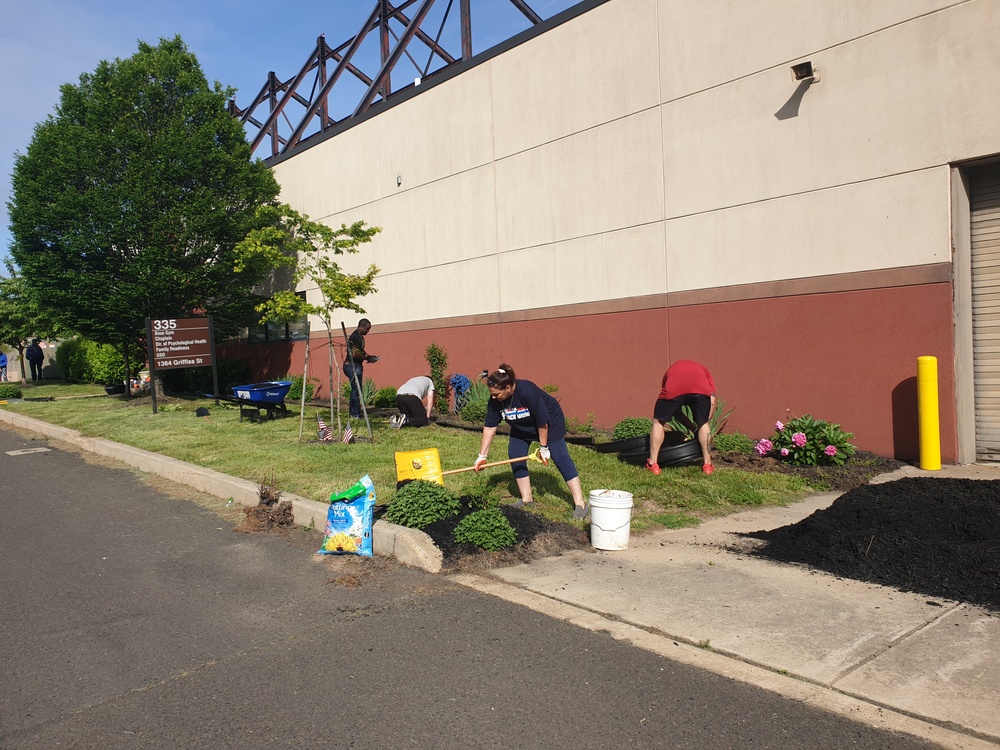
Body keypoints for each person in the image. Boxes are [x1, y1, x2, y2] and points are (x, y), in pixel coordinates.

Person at [475, 364, 587, 520]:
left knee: (560, 457)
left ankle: (580, 504)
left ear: (508, 388)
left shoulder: (526, 391)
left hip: (549, 423)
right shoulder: (495, 401)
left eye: (496, 394)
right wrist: (482, 455)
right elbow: (490, 428)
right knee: (515, 455)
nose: (493, 397)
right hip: (521, 426)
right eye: (491, 394)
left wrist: (543, 447)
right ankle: (527, 500)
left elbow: (543, 422)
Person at [647, 359, 716, 476]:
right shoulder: (704, 371)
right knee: (704, 424)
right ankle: (707, 465)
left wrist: (691, 427)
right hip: (701, 390)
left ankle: (653, 465)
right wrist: (700, 425)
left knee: (658, 422)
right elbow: (712, 400)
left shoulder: (671, 372)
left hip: (674, 387)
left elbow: (673, 410)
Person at [342, 319, 377, 419]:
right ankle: (355, 414)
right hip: (351, 366)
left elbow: (360, 350)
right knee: (356, 389)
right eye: (367, 329)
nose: (368, 331)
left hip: (356, 366)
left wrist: (369, 356)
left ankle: (355, 412)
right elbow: (354, 354)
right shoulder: (355, 336)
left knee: (357, 389)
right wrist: (366, 358)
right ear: (361, 327)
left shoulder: (360, 336)